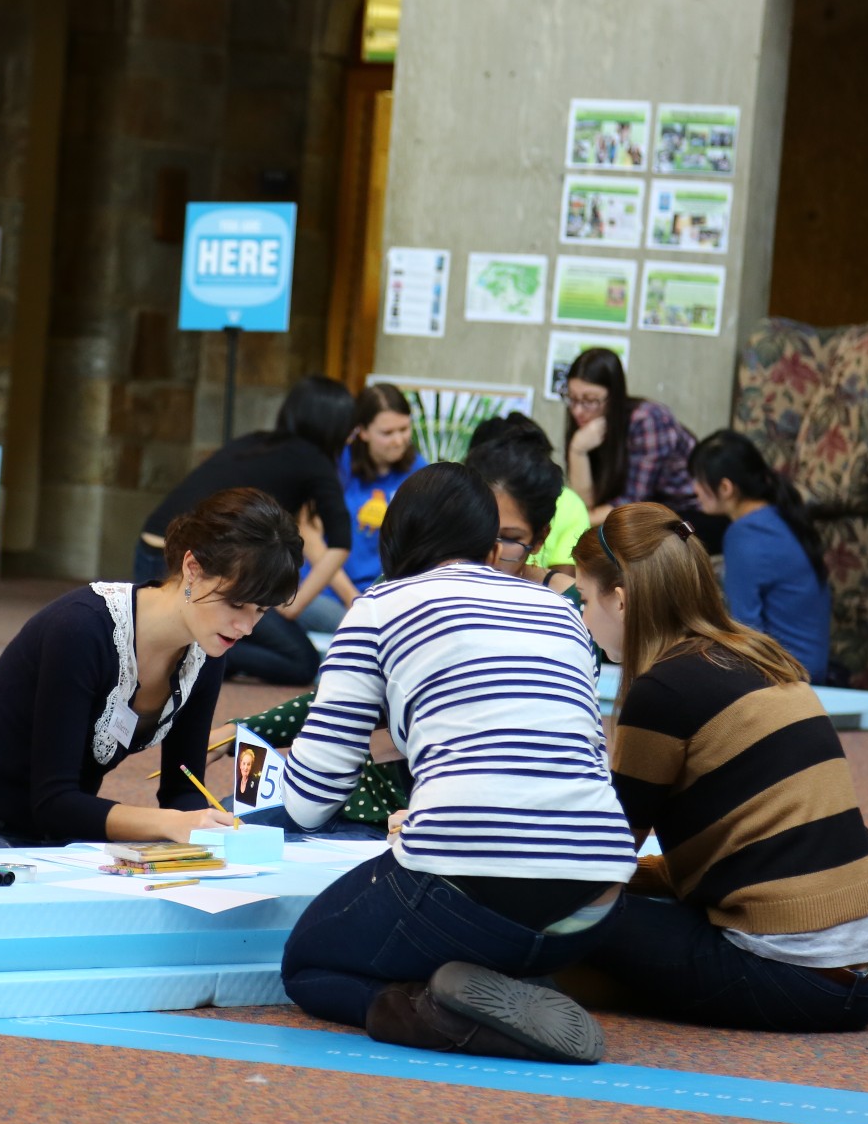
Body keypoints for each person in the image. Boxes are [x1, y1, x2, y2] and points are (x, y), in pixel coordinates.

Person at [279, 463, 637, 1064]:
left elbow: (310, 800)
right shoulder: (560, 613)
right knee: (487, 922)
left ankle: (435, 1009)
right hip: (594, 902)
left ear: (397, 534)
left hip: (466, 891)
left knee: (309, 962)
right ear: (488, 540)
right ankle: (507, 988)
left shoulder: (378, 606)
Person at [562, 503, 868, 1033]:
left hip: (793, 974)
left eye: (583, 598)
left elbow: (603, 860)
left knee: (563, 919)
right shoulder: (760, 655)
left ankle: (513, 994)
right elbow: (738, 849)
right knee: (621, 926)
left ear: (620, 602)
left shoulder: (662, 690)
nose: (582, 616)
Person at [0, 488, 297, 848]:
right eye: (236, 604)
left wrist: (205, 830)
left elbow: (182, 790)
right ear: (192, 568)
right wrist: (172, 825)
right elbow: (53, 801)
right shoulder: (83, 628)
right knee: (12, 902)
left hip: (64, 835)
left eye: (261, 611)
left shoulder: (205, 651)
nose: (247, 627)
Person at [138, 375, 354, 685]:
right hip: (196, 564)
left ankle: (191, 646)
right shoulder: (314, 461)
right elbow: (340, 544)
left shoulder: (255, 442)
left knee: (227, 620)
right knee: (301, 661)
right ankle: (196, 649)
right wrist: (293, 608)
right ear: (337, 426)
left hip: (151, 550)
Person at [688, 429, 832, 679]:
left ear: (725, 487)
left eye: (699, 481)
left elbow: (744, 628)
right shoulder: (779, 517)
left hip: (784, 673)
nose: (694, 490)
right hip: (808, 666)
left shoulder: (745, 534)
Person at [298, 382, 427, 633]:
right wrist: (351, 597)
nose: (399, 440)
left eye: (404, 428)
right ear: (363, 432)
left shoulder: (419, 470)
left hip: (383, 596)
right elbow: (309, 535)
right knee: (359, 631)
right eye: (387, 433)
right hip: (328, 591)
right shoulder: (337, 463)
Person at [561, 348, 705, 531]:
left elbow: (634, 502)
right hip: (647, 512)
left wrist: (577, 521)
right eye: (572, 398)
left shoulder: (648, 419)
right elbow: (584, 504)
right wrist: (577, 450)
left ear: (613, 397)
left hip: (690, 510)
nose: (577, 411)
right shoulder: (589, 428)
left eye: (590, 400)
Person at [465, 428, 584, 610]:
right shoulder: (429, 588)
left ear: (539, 539)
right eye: (479, 530)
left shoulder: (570, 605)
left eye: (509, 538)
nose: (491, 553)